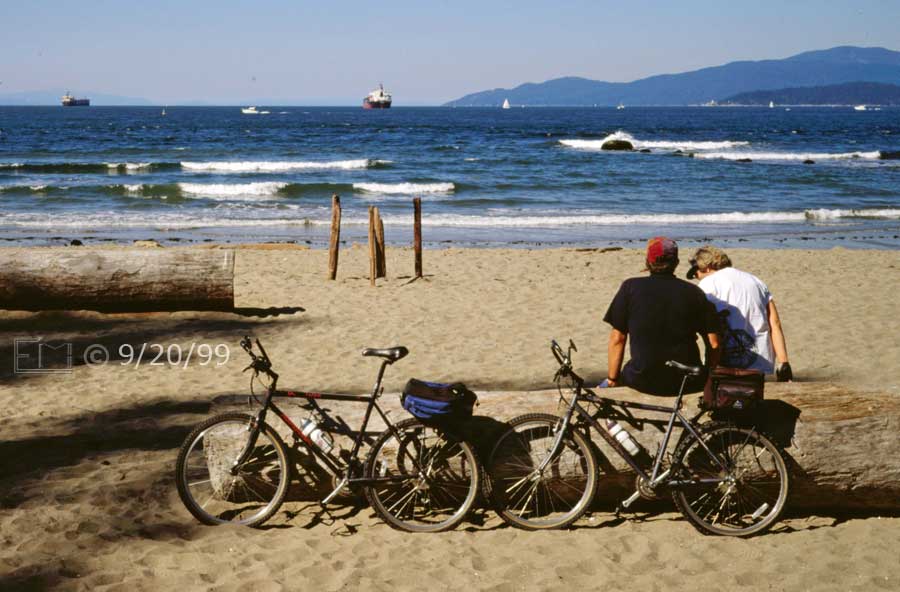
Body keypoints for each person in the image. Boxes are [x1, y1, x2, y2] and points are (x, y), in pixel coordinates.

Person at [602, 237, 721, 395]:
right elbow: (714, 344)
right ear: (676, 263)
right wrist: (709, 377)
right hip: (687, 381)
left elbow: (618, 338)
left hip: (642, 380)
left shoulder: (630, 288)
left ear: (647, 262)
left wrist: (612, 378)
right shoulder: (694, 293)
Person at [688, 245, 792, 381]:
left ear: (705, 267)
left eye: (696, 274)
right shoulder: (757, 282)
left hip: (726, 366)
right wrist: (783, 362)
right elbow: (775, 323)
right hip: (762, 364)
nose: (697, 278)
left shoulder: (707, 284)